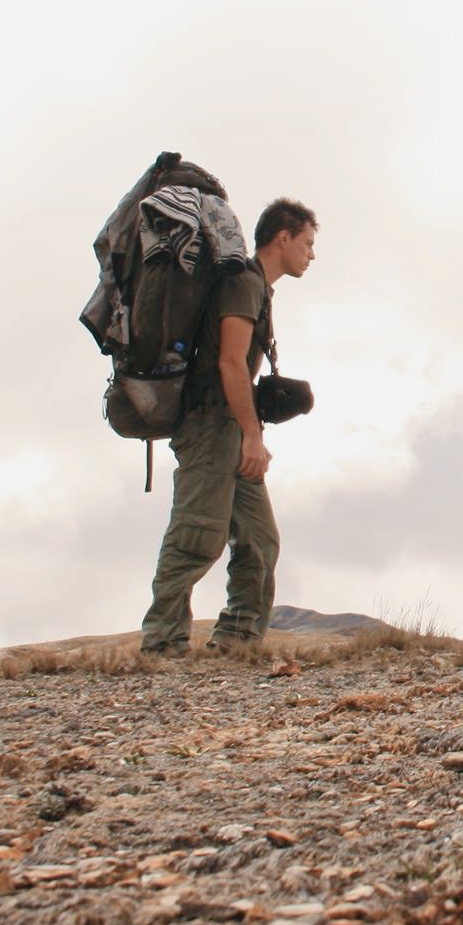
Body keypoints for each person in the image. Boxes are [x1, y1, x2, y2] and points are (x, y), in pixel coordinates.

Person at [139, 198, 318, 654]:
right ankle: (162, 644)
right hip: (211, 424)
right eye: (307, 243)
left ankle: (236, 642)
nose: (311, 255)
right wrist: (252, 436)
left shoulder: (256, 285)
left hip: (232, 424)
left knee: (259, 541)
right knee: (197, 535)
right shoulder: (242, 282)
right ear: (283, 238)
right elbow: (230, 364)